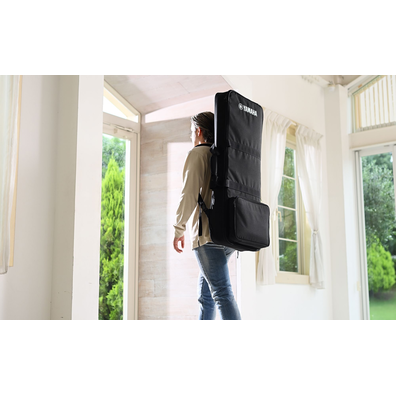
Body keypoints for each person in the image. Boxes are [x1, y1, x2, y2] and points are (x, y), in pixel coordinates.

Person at [173, 112, 241, 320]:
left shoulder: (198, 154)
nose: (191, 136)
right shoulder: (224, 154)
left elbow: (189, 194)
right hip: (228, 235)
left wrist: (179, 228)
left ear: (199, 131)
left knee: (221, 293)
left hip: (206, 235)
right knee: (206, 296)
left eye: (191, 132)